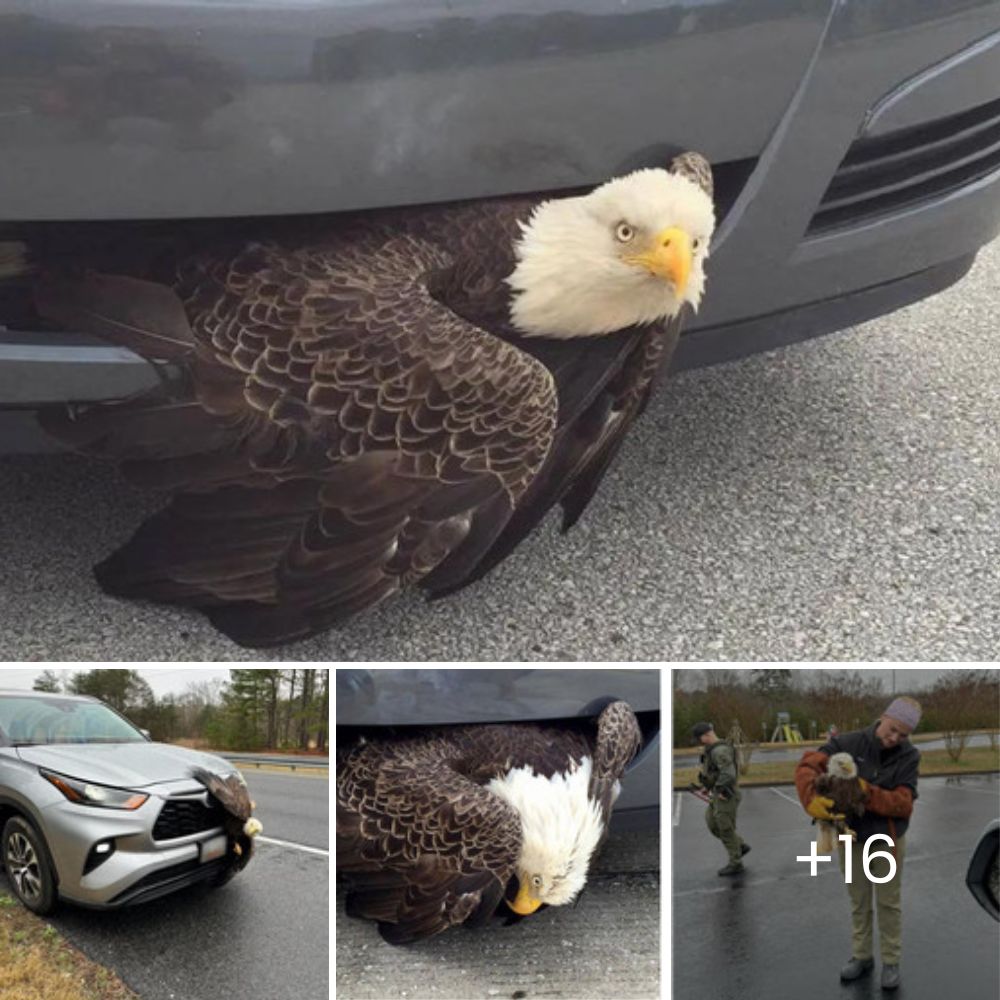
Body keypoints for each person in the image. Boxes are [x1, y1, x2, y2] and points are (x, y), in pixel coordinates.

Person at [795, 697, 921, 992]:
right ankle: (862, 956)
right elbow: (808, 765)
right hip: (850, 838)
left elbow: (903, 804)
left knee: (888, 902)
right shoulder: (847, 743)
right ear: (883, 717)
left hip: (885, 841)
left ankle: (891, 961)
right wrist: (810, 799)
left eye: (903, 735)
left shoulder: (909, 756)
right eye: (892, 730)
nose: (894, 739)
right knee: (858, 901)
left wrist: (866, 792)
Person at [691, 722, 750, 876]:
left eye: (700, 738)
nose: (700, 741)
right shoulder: (712, 751)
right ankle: (740, 845)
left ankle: (736, 862)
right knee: (712, 822)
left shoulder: (720, 751)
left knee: (725, 827)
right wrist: (707, 787)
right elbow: (715, 773)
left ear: (706, 735)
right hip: (718, 793)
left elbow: (728, 774)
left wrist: (719, 789)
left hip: (726, 794)